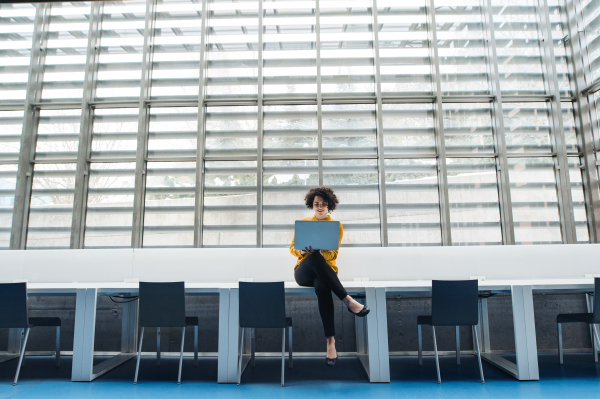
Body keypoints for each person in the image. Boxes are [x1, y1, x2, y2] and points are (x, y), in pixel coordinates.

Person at [289, 186, 369, 367]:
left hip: (324, 273)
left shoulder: (336, 226)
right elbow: (292, 248)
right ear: (311, 205)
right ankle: (348, 300)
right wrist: (302, 251)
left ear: (329, 206)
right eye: (316, 204)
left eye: (323, 204)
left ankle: (330, 343)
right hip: (303, 272)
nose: (319, 207)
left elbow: (333, 254)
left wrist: (321, 253)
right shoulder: (304, 222)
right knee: (314, 256)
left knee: (322, 286)